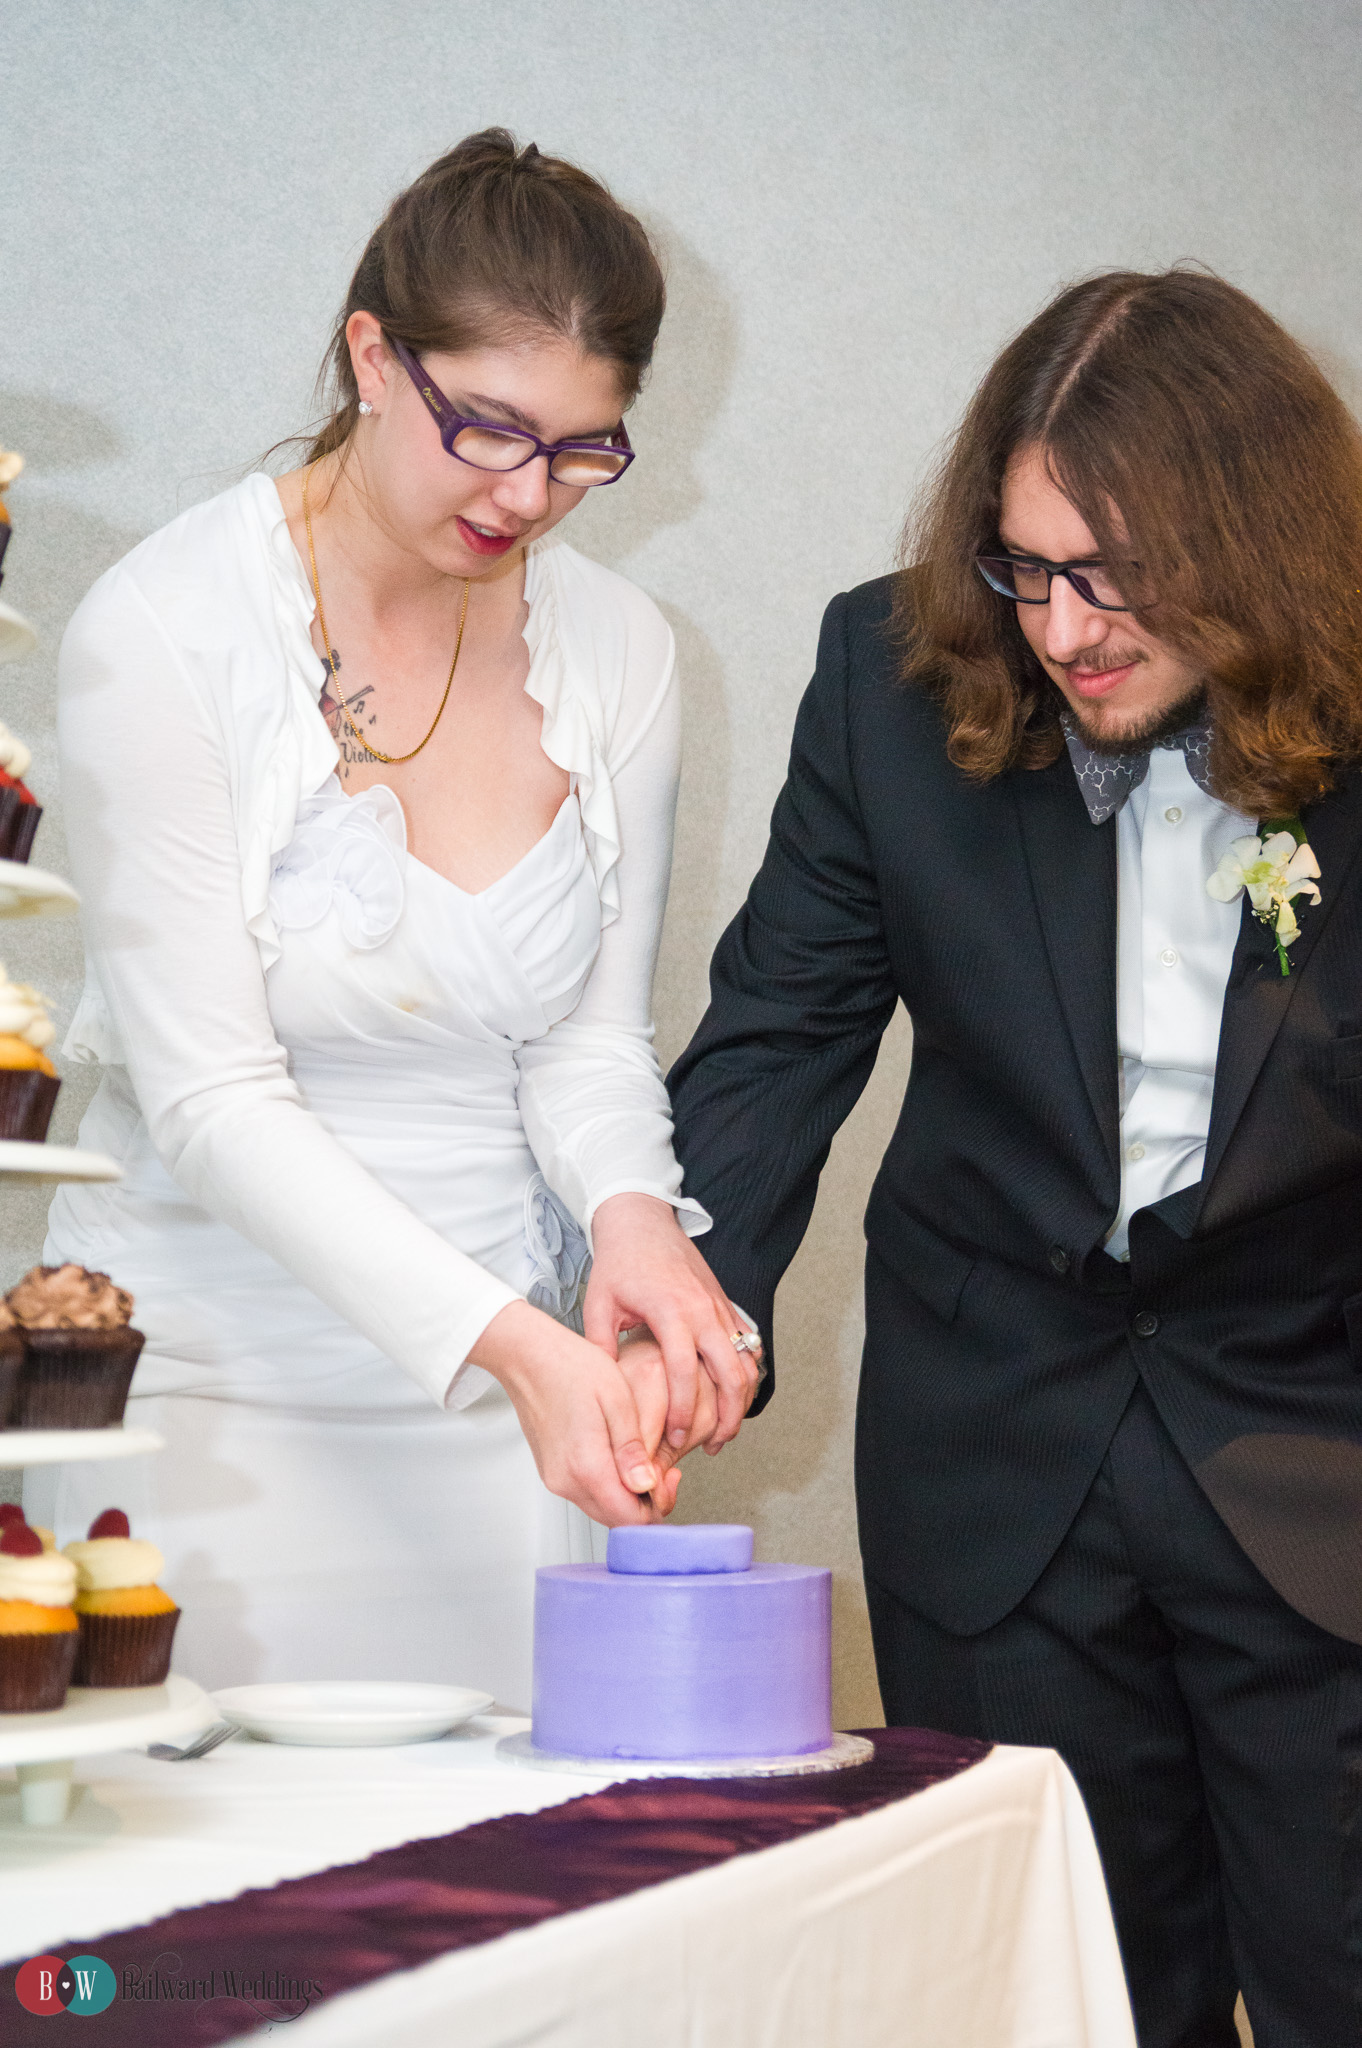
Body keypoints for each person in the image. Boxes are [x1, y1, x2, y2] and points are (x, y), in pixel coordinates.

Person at [667, 269, 1362, 2046]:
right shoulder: (890, 678)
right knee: (1050, 2002)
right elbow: (777, 1035)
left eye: (1116, 572)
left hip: (1319, 1457)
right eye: (1026, 564)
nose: (1063, 626)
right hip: (997, 1464)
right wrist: (679, 1304)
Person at [32, 130, 759, 1708]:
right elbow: (212, 1098)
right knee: (200, 1935)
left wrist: (635, 1222)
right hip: (212, 1401)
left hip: (504, 1427)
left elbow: (580, 1036)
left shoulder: (623, 650)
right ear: (373, 355)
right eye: (489, 429)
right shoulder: (161, 630)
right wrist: (513, 1342)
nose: (527, 496)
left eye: (582, 450)